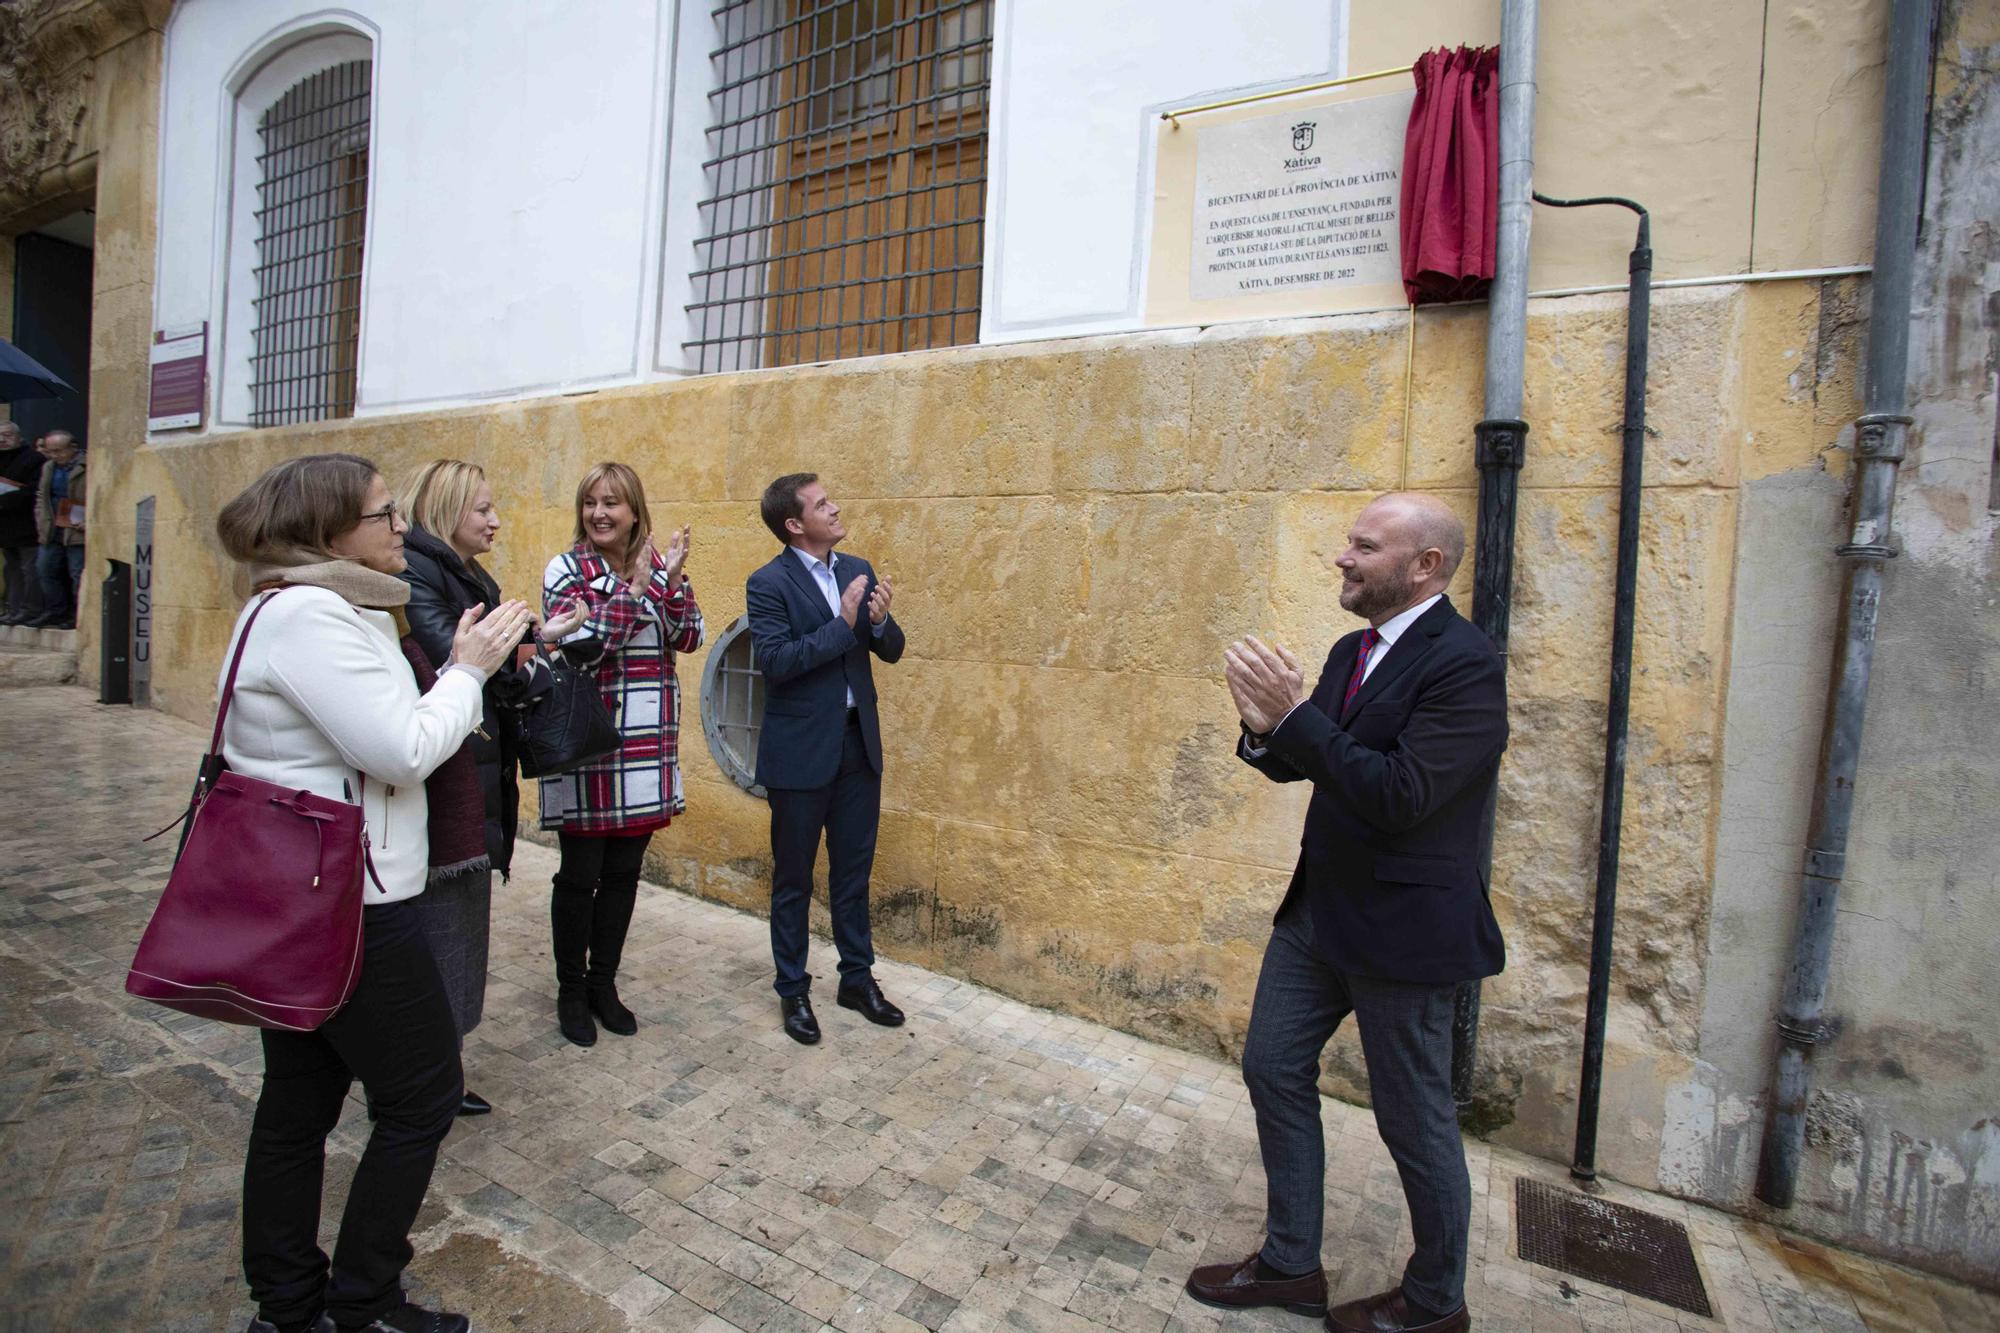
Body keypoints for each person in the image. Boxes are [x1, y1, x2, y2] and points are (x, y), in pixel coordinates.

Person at [214, 452, 532, 1333]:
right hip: (351, 904)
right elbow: (399, 749)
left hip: (318, 892)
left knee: (298, 1105)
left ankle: (291, 1307)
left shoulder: (312, 607)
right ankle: (360, 1303)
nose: (402, 529)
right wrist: (466, 669)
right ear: (327, 532)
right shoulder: (311, 617)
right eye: (384, 516)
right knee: (424, 1096)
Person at [1187, 492, 1506, 1333]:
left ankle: (1438, 1302)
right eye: (1348, 542)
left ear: (1424, 565)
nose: (1343, 556)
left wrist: (1296, 721)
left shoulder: (1465, 664)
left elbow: (1402, 794)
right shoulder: (1350, 648)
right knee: (1271, 1066)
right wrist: (1264, 730)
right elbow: (1308, 759)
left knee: (1414, 1121)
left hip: (1404, 932)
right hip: (1317, 914)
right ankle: (1292, 1264)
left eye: (1365, 546)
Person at [395, 458, 586, 1115]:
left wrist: (535, 637)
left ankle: (434, 1074)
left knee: (460, 935)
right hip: (445, 783)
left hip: (476, 773)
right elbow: (455, 661)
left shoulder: (472, 575)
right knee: (439, 936)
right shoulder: (419, 573)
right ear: (449, 509)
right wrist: (518, 648)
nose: (495, 519)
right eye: (482, 508)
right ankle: (420, 1086)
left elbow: (493, 666)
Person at [539, 461, 704, 1047]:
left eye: (611, 502)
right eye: (590, 503)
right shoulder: (567, 570)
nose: (600, 514)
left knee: (624, 875)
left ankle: (603, 984)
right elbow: (580, 647)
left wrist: (674, 584)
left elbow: (690, 637)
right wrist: (634, 592)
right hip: (588, 744)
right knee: (579, 875)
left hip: (648, 743)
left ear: (635, 510)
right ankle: (570, 987)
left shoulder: (659, 565)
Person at [745, 473, 906, 1046]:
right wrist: (841, 625)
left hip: (857, 745)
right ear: (795, 523)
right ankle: (792, 990)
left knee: (853, 874)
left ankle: (856, 980)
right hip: (798, 755)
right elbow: (778, 662)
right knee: (792, 878)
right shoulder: (768, 583)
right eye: (822, 504)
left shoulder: (856, 567)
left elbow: (890, 649)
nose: (835, 508)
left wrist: (880, 622)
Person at [29, 430, 84, 628]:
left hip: (77, 528)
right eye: (50, 451)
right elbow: (41, 495)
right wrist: (41, 519)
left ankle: (78, 614)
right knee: (45, 569)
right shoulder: (49, 467)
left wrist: (89, 520)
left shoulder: (87, 465)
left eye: (59, 451)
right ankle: (55, 611)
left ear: (73, 447)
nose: (55, 455)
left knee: (77, 573)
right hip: (52, 527)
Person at [0, 421, 44, 625]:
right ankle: (13, 608)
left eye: (7, 435)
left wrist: (5, 500)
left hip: (27, 524)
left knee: (30, 568)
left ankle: (31, 608)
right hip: (5, 526)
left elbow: (35, 492)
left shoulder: (34, 459)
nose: (2, 439)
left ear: (18, 436)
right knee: (11, 568)